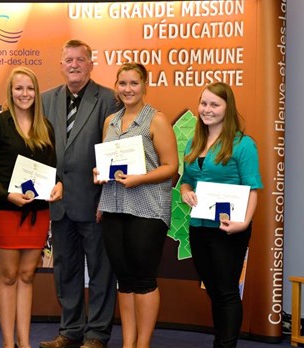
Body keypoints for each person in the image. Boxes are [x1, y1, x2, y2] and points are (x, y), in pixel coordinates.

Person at [40, 39, 120, 348]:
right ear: (61, 65)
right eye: (68, 60)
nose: (74, 64)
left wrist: (107, 198)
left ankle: (97, 333)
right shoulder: (46, 100)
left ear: (90, 64)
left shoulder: (109, 100)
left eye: (80, 59)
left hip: (94, 201)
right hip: (58, 202)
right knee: (66, 270)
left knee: (100, 271)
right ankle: (70, 330)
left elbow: (113, 153)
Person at [0, 67, 63, 348]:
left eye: (29, 89)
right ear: (10, 92)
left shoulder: (45, 126)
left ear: (36, 93)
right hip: (5, 212)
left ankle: (24, 342)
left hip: (38, 213)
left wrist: (59, 184)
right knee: (9, 275)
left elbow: (52, 169)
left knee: (28, 275)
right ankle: (7, 342)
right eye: (19, 88)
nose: (24, 94)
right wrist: (8, 195)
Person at [93, 62, 178, 348]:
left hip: (147, 209)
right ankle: (128, 343)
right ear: (116, 87)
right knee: (124, 280)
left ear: (144, 86)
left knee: (143, 280)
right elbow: (108, 163)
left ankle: (142, 344)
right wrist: (100, 172)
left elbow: (171, 166)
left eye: (133, 83)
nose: (127, 89)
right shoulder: (110, 121)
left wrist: (140, 179)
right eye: (122, 83)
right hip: (113, 207)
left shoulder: (156, 120)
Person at [179, 82, 263, 348]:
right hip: (199, 226)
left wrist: (244, 223)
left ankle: (226, 345)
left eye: (214, 104)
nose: (207, 109)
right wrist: (185, 193)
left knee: (226, 291)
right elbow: (187, 180)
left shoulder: (243, 144)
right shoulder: (194, 142)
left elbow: (253, 188)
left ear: (228, 108)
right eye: (204, 103)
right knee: (214, 291)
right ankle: (221, 341)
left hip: (229, 229)